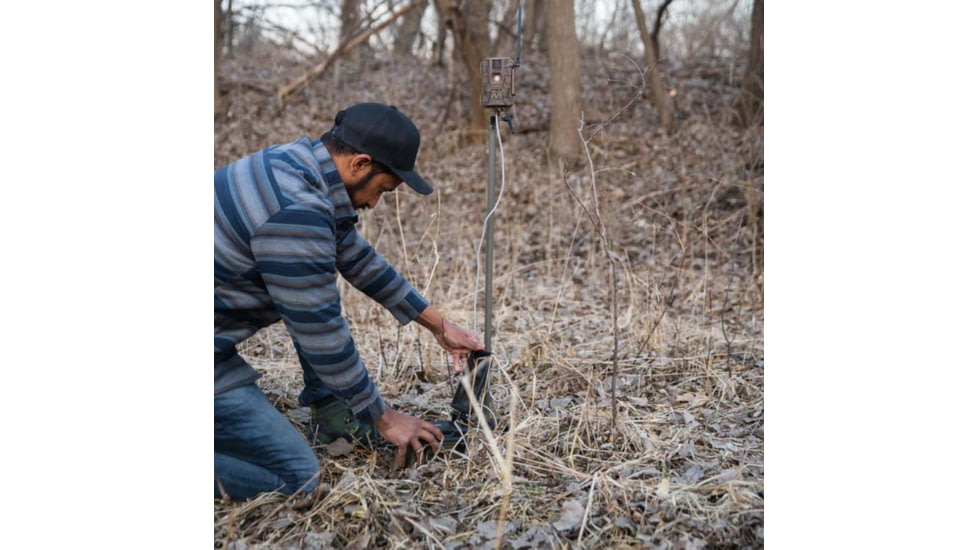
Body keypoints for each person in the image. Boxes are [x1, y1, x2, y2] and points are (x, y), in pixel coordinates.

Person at [214, 103, 485, 500]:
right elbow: (319, 328)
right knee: (297, 479)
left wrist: (440, 325)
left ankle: (331, 411)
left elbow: (356, 257)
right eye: (382, 190)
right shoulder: (298, 212)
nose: (374, 204)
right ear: (360, 163)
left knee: (312, 285)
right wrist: (384, 418)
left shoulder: (293, 164)